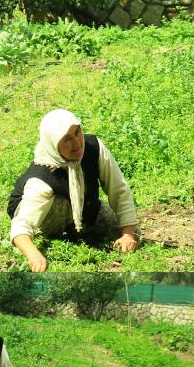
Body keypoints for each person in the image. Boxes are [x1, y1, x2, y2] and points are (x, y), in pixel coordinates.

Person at [8, 109, 139, 271]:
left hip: (82, 206)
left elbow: (118, 188)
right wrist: (34, 255)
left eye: (78, 133)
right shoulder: (41, 178)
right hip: (45, 214)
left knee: (134, 230)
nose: (77, 143)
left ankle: (80, 228)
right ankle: (70, 233)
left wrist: (127, 234)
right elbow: (21, 225)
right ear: (54, 145)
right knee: (61, 203)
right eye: (67, 139)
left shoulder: (93, 147)